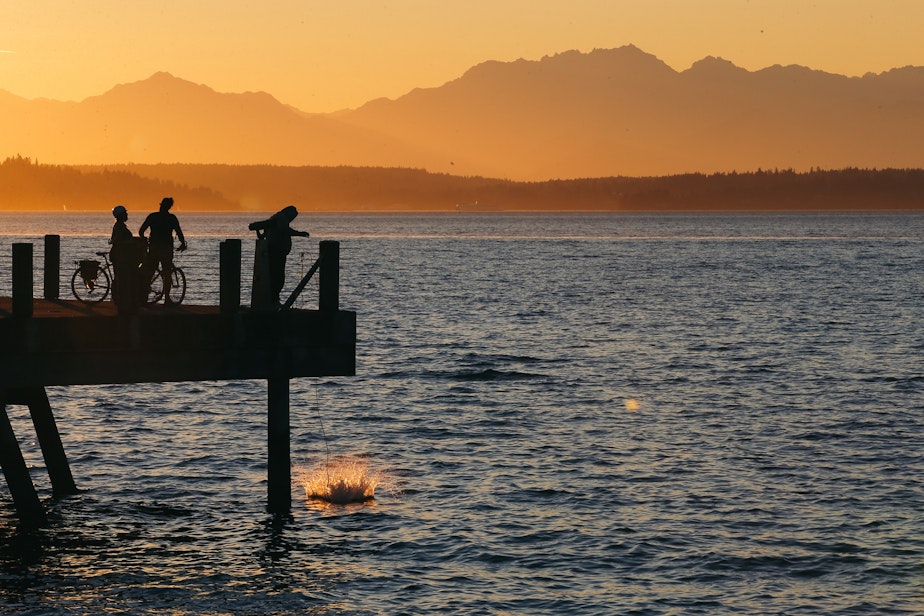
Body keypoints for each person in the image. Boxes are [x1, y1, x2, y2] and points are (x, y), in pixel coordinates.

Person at [248, 205, 310, 306]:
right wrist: (301, 234)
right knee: (278, 278)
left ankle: (273, 300)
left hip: (275, 252)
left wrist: (258, 230)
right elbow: (286, 231)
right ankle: (274, 300)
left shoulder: (275, 219)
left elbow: (262, 235)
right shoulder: (281, 219)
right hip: (277, 253)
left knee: (274, 277)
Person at [139, 197, 187, 304]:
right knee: (167, 273)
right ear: (169, 207)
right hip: (166, 248)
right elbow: (179, 232)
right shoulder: (171, 218)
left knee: (150, 271)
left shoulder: (152, 216)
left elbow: (141, 231)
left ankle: (143, 296)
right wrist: (183, 243)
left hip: (154, 247)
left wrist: (144, 240)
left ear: (160, 205)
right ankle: (167, 299)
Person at [108, 205, 144, 314]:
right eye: (125, 213)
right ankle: (121, 300)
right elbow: (118, 240)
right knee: (122, 277)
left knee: (121, 277)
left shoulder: (120, 226)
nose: (127, 215)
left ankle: (121, 299)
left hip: (121, 255)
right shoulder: (119, 227)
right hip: (120, 256)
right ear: (121, 215)